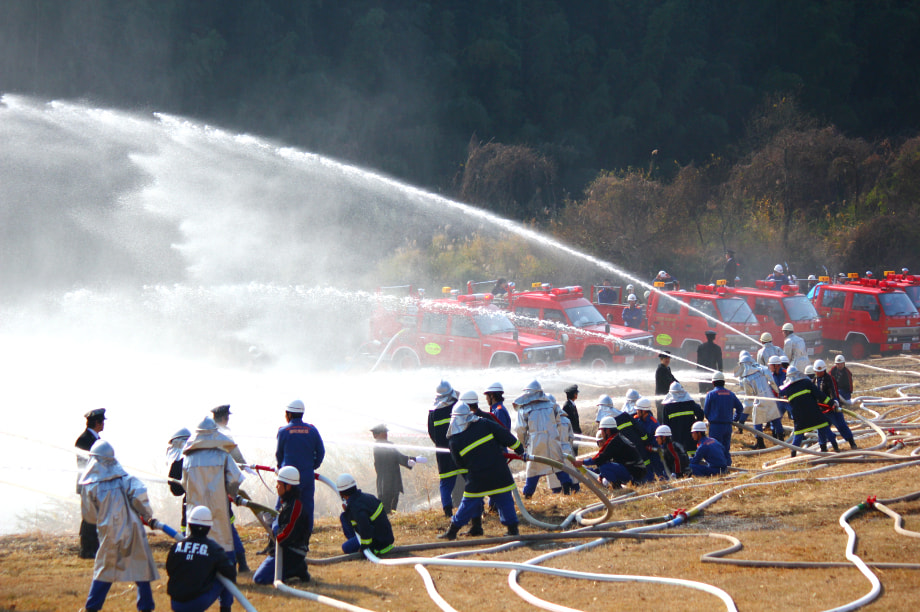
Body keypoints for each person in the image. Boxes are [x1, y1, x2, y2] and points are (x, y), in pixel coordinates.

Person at [80, 440, 159, 612]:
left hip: (109, 533)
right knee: (141, 570)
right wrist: (147, 515)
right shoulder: (127, 479)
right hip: (133, 531)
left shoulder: (90, 486)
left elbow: (89, 516)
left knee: (104, 570)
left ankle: (92, 607)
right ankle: (145, 607)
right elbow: (140, 499)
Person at [439, 402, 524, 539]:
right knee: (505, 500)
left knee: (468, 504)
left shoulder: (454, 440)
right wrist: (519, 449)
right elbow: (505, 436)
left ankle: (452, 531)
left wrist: (469, 478)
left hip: (477, 477)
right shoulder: (484, 423)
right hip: (498, 471)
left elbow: (460, 464)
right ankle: (512, 529)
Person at [182, 417, 242, 565]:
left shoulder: (188, 459)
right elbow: (235, 479)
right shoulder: (223, 456)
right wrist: (231, 492)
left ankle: (198, 572)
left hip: (195, 508)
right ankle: (227, 571)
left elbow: (184, 484)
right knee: (222, 539)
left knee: (197, 542)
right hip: (218, 505)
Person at [276, 399, 325, 552]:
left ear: (288, 414)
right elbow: (321, 452)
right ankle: (304, 542)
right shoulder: (312, 430)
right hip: (306, 476)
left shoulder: (283, 431)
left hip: (287, 479)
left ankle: (276, 542)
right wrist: (313, 466)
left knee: (282, 508)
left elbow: (279, 454)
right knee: (307, 507)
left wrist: (280, 469)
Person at [166, 505, 236, 612]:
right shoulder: (213, 549)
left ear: (189, 525)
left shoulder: (176, 546)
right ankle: (225, 609)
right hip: (197, 603)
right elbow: (230, 573)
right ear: (209, 527)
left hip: (175, 603)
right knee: (223, 577)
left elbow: (169, 568)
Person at [514, 380, 574, 498]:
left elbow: (520, 429)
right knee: (557, 464)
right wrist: (555, 437)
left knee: (533, 469)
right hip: (552, 440)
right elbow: (558, 424)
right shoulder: (551, 405)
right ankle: (567, 487)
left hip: (535, 441)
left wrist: (523, 444)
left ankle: (528, 494)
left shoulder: (524, 409)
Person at [253, 466, 310, 584]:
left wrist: (274, 528)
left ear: (288, 486)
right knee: (260, 576)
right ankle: (294, 567)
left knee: (260, 578)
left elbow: (285, 537)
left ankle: (296, 568)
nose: (276, 486)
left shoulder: (295, 507)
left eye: (279, 484)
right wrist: (271, 522)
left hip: (291, 552)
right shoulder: (287, 503)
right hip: (283, 549)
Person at [210, 404, 249, 573]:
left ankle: (237, 561)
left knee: (223, 524)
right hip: (221, 488)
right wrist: (245, 466)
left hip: (207, 490)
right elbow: (236, 456)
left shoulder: (205, 436)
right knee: (227, 524)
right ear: (224, 418)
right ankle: (239, 560)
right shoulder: (223, 435)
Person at [778, 366, 838, 456]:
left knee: (798, 435)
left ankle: (793, 454)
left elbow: (782, 394)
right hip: (813, 412)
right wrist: (830, 403)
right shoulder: (806, 382)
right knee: (825, 427)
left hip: (800, 417)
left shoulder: (788, 389)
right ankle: (836, 447)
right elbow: (819, 395)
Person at [572, 416, 647, 487]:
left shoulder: (614, 441)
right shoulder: (618, 437)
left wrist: (582, 462)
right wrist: (601, 475)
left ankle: (617, 487)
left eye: (602, 430)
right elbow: (608, 459)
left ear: (607, 430)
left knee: (603, 466)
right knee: (604, 465)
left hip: (634, 472)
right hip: (636, 470)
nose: (601, 433)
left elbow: (600, 458)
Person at [429, 381, 465, 517]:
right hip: (460, 449)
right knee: (468, 478)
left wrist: (440, 444)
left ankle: (448, 511)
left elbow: (431, 433)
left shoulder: (432, 412)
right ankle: (475, 508)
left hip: (442, 451)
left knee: (445, 482)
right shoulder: (457, 407)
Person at [337, 474, 395, 555]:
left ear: (342, 493)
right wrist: (348, 511)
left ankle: (358, 543)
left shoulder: (356, 507)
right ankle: (356, 540)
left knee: (346, 547)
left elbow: (365, 527)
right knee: (344, 516)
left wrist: (364, 547)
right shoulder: (365, 498)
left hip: (378, 541)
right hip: (383, 535)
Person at [75, 408, 105, 559]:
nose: (103, 425)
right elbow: (87, 464)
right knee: (89, 518)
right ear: (97, 423)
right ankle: (87, 549)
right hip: (88, 483)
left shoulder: (96, 440)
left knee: (96, 516)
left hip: (96, 483)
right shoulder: (84, 440)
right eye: (101, 422)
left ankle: (94, 547)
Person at [737, 354, 783, 449]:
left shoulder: (746, 379)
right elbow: (772, 381)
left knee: (757, 422)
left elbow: (749, 396)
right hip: (769, 397)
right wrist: (778, 392)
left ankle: (760, 443)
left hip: (759, 400)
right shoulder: (761, 371)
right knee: (775, 417)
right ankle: (781, 439)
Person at [371, 424, 420, 514]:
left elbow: (396, 457)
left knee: (387, 506)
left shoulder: (378, 446)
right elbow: (398, 457)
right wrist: (414, 459)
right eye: (384, 432)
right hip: (390, 482)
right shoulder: (384, 446)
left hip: (385, 483)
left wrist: (410, 460)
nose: (386, 434)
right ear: (378, 434)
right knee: (388, 507)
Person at [814, 360, 858, 449]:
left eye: (820, 371)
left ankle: (852, 442)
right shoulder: (814, 381)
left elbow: (833, 391)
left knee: (841, 425)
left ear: (824, 370)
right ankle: (823, 447)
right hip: (821, 410)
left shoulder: (829, 379)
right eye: (817, 371)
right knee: (821, 429)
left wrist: (835, 402)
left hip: (832, 408)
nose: (818, 373)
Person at [702, 372, 745, 461]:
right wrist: (734, 419)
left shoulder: (711, 394)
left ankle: (717, 469)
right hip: (727, 426)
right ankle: (727, 467)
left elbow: (706, 411)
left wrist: (710, 419)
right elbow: (740, 408)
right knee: (726, 450)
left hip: (715, 426)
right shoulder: (731, 394)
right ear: (724, 382)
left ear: (713, 383)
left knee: (715, 449)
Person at [661, 381, 704, 456]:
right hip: (691, 437)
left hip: (676, 438)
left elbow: (665, 425)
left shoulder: (667, 407)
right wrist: (695, 426)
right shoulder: (690, 403)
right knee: (693, 460)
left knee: (679, 459)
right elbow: (701, 414)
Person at [166, 427, 191, 533]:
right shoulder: (208, 456)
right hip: (218, 508)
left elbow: (176, 491)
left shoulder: (180, 462)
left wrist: (172, 479)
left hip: (191, 510)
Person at [655, 352, 678, 423]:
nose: (667, 360)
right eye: (666, 359)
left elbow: (673, 378)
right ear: (661, 359)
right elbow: (668, 381)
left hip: (667, 397)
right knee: (661, 416)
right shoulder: (661, 369)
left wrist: (679, 386)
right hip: (661, 397)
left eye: (668, 358)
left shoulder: (667, 368)